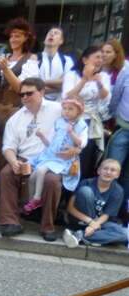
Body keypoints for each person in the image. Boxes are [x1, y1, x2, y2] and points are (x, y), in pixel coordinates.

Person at [0, 78, 80, 241]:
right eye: (22, 94)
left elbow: (76, 126)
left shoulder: (58, 110)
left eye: (30, 93)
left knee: (52, 181)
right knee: (6, 173)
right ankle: (9, 222)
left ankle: (47, 226)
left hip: (51, 160)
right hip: (24, 158)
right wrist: (13, 161)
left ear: (42, 92)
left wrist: (75, 149)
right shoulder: (16, 118)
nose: (25, 97)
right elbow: (8, 146)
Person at [22, 98, 88, 214]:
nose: (66, 111)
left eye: (70, 109)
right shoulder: (59, 122)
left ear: (78, 111)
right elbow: (50, 144)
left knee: (41, 170)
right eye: (65, 109)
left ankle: (37, 199)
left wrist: (71, 132)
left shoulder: (81, 125)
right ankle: (31, 201)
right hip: (50, 155)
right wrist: (42, 136)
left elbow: (81, 143)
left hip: (63, 159)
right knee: (32, 177)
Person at [62, 46, 111, 179]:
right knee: (68, 154)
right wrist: (84, 79)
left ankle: (77, 193)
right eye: (97, 57)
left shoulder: (103, 76)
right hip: (72, 120)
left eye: (102, 57)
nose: (100, 60)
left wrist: (99, 83)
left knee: (86, 158)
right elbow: (67, 97)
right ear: (85, 60)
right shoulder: (72, 75)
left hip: (92, 121)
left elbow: (106, 98)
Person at [0, 18, 39, 130]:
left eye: (17, 36)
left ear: (26, 38)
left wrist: (5, 69)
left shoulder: (31, 58)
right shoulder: (5, 57)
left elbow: (22, 88)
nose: (13, 39)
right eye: (11, 36)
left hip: (15, 112)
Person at [63, 159, 127, 247]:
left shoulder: (118, 191)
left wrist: (94, 226)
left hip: (100, 224)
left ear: (117, 175)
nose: (108, 172)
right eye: (105, 169)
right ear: (98, 171)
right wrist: (90, 222)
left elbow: (106, 215)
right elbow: (70, 208)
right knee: (86, 191)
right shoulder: (86, 182)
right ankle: (94, 237)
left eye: (113, 170)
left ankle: (78, 235)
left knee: (124, 234)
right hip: (81, 220)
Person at [106, 66, 129, 218]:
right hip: (123, 127)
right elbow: (115, 97)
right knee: (110, 170)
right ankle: (105, 211)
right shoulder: (126, 71)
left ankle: (120, 213)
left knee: (128, 176)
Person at [38, 27, 74, 102]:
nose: (52, 34)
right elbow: (32, 84)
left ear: (61, 41)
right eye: (50, 32)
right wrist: (58, 87)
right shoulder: (35, 58)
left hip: (59, 103)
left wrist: (42, 82)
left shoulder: (67, 60)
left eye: (56, 33)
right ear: (44, 40)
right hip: (38, 102)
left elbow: (69, 82)